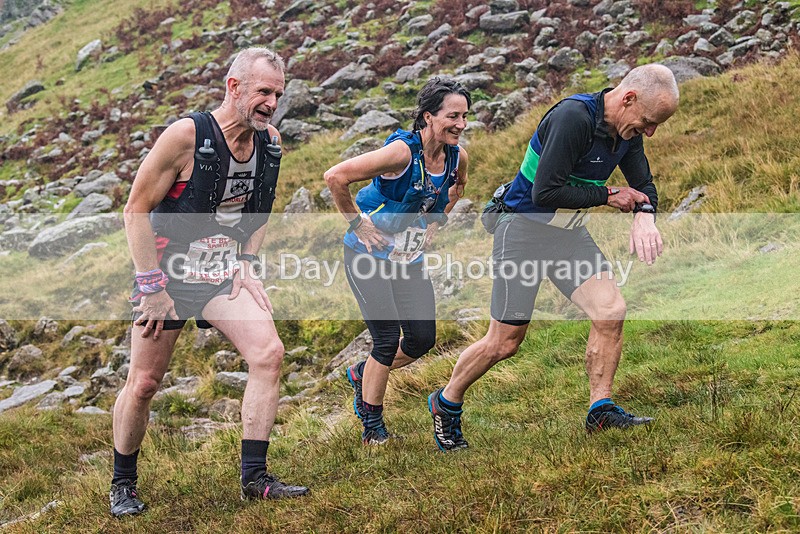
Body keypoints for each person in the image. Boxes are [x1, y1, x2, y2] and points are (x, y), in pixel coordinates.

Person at [427, 64, 680, 451]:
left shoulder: (626, 132)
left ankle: (601, 410)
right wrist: (611, 197)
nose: (650, 131)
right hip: (523, 230)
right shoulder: (572, 118)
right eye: (648, 121)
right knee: (505, 341)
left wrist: (646, 216)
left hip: (568, 235)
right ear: (628, 98)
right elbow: (546, 192)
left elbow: (643, 184)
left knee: (610, 310)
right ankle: (446, 402)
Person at [111, 47, 308, 517]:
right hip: (168, 278)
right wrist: (152, 287)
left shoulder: (270, 142)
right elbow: (135, 210)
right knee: (144, 383)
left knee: (269, 353)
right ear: (234, 87)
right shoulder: (185, 136)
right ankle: (122, 485)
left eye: (278, 94)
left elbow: (261, 206)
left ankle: (255, 478)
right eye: (264, 91)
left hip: (222, 273)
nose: (272, 102)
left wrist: (247, 260)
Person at [324, 77, 471, 444]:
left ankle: (362, 374)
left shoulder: (457, 155)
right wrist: (358, 223)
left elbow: (458, 186)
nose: (461, 124)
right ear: (428, 117)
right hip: (367, 255)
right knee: (386, 341)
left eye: (465, 116)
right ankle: (373, 430)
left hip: (408, 257)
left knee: (422, 338)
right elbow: (335, 177)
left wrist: (437, 218)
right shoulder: (401, 154)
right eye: (453, 116)